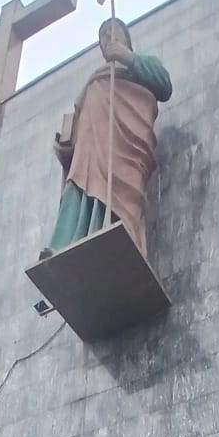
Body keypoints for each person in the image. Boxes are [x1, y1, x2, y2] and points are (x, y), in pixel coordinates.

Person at [43, 18, 172, 258]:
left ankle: (125, 244)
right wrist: (66, 150)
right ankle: (63, 246)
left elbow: (165, 86)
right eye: (102, 35)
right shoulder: (96, 82)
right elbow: (84, 132)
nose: (107, 38)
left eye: (113, 31)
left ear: (126, 37)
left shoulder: (143, 66)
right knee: (78, 188)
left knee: (124, 203)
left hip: (126, 153)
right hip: (89, 157)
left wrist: (128, 58)